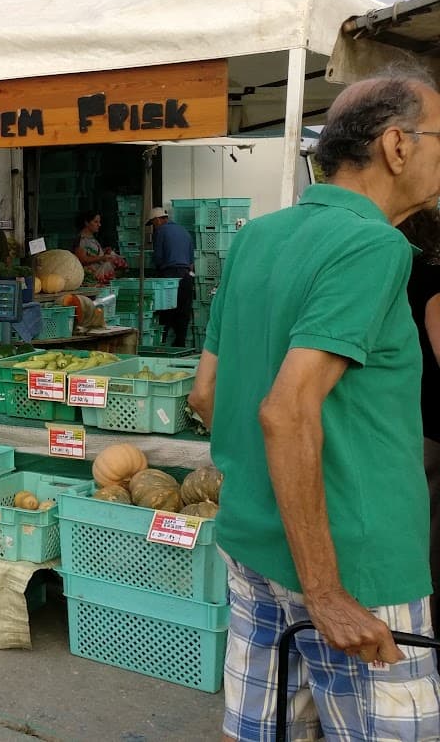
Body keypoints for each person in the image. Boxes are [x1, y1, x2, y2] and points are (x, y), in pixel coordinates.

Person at [188, 67, 440, 740]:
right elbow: (287, 410)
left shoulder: (259, 237)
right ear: (397, 145)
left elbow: (205, 393)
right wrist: (326, 592)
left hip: (251, 542)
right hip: (353, 566)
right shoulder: (375, 245)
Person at [399, 206, 440, 616]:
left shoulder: (386, 273)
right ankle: (426, 619)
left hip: (401, 413)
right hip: (431, 419)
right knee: (430, 528)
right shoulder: (431, 279)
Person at [146, 206, 196, 347]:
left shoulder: (161, 232)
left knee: (166, 309)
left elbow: (158, 257)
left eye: (153, 223)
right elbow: (191, 261)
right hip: (186, 275)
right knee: (183, 311)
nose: (153, 227)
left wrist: (155, 272)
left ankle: (161, 344)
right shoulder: (184, 231)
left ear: (158, 220)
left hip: (170, 275)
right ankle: (180, 344)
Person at [70, 211, 115, 285]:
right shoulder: (81, 240)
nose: (99, 225)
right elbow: (83, 259)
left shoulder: (91, 238)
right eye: (96, 222)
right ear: (87, 223)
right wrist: (102, 258)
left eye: (99, 222)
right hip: (89, 280)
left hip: (98, 278)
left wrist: (104, 251)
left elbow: (91, 253)